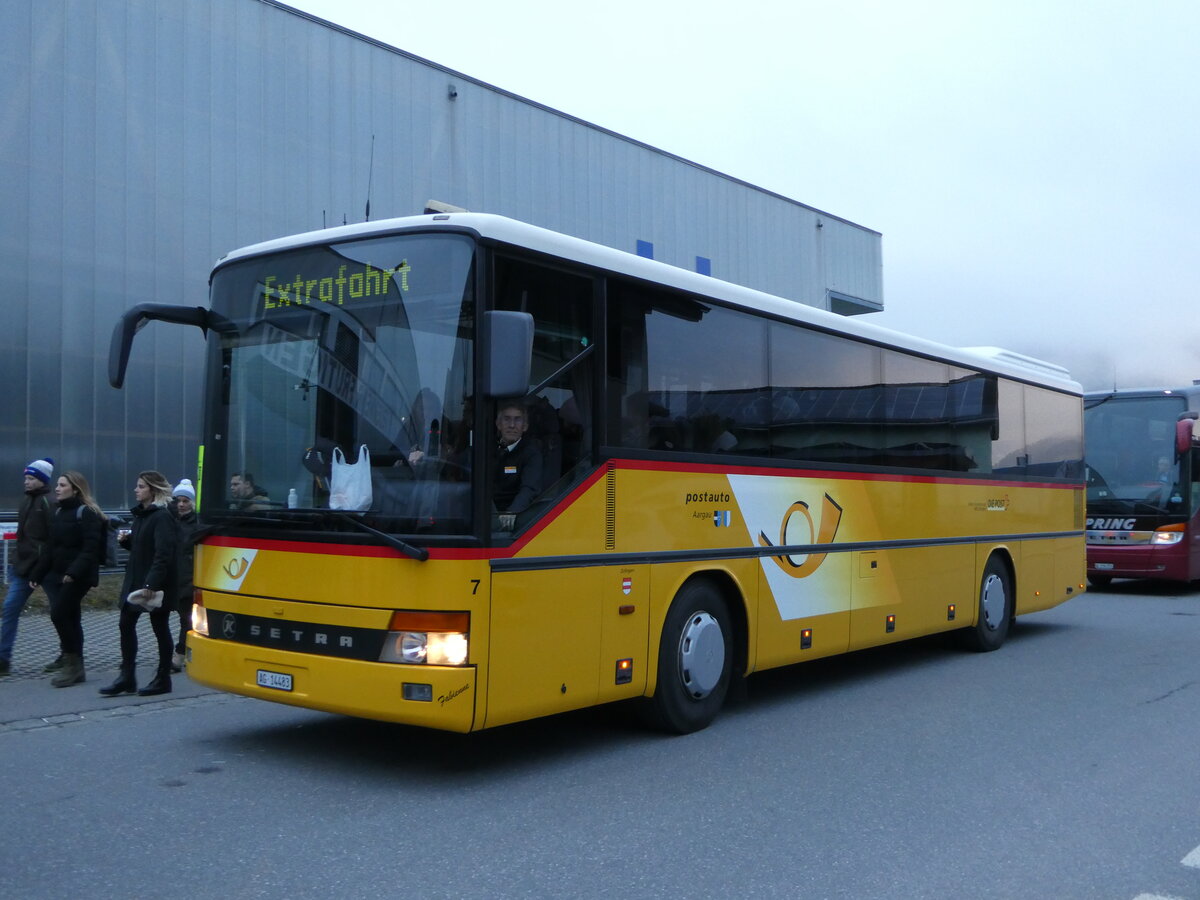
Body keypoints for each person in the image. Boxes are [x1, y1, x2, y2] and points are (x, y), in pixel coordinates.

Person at [99, 471, 179, 697]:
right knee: (125, 623)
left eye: (141, 486)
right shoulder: (143, 515)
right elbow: (143, 549)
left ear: (152, 490)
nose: (136, 490)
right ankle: (127, 677)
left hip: (154, 582)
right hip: (137, 579)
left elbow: (163, 554)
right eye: (137, 486)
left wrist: (152, 582)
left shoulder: (162, 516)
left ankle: (163, 678)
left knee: (160, 627)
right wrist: (128, 542)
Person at [30, 471, 104, 687]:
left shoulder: (87, 513)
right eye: (58, 485)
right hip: (59, 574)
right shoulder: (59, 511)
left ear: (75, 488)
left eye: (62, 485)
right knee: (70, 618)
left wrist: (73, 572)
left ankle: (71, 663)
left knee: (59, 614)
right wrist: (38, 572)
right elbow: (51, 547)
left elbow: (90, 549)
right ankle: (76, 667)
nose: (57, 488)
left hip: (78, 576)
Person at [0, 458, 55, 675]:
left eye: (31, 478)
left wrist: (42, 565)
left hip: (45, 567)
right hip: (22, 567)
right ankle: (4, 658)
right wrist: (16, 559)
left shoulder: (49, 502)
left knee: (59, 612)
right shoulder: (26, 502)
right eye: (26, 478)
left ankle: (68, 653)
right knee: (10, 608)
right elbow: (23, 535)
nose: (26, 482)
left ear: (42, 480)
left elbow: (51, 538)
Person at [493, 400, 543, 531]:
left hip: (517, 516)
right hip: (488, 512)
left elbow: (529, 488)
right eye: (507, 419)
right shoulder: (488, 449)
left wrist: (511, 513)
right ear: (498, 424)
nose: (512, 425)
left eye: (518, 420)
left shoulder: (532, 453)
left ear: (525, 426)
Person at [170, 478, 197, 672]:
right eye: (178, 500)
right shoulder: (170, 522)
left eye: (185, 501)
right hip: (173, 577)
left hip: (189, 577)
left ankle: (179, 654)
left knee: (186, 619)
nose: (181, 504)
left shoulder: (197, 523)